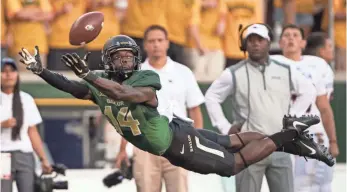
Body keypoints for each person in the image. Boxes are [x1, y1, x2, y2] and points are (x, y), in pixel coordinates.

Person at [18, 35, 333, 178]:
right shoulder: (98, 83)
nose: (126, 60)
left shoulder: (145, 77)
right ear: (109, 61)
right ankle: (295, 143)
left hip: (175, 142)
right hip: (172, 134)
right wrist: (40, 71)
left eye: (129, 55)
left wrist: (89, 76)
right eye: (120, 57)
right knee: (233, 141)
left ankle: (286, 134)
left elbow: (126, 95)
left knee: (232, 165)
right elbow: (74, 88)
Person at [204, 23, 327, 192]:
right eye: (251, 40)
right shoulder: (233, 73)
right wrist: (224, 128)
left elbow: (308, 91)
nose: (255, 43)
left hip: (280, 145)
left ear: (268, 43)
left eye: (260, 40)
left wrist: (292, 119)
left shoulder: (286, 70)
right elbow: (211, 97)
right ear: (244, 45)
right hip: (248, 148)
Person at [116, 25, 205, 192]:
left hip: (178, 143)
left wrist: (198, 144)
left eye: (159, 40)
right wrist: (122, 150)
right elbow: (127, 115)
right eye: (151, 41)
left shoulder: (183, 72)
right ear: (145, 46)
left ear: (167, 43)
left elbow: (195, 110)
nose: (156, 44)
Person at [271, 24, 338, 192]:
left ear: (303, 43)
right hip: (284, 135)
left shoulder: (317, 66)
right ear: (280, 43)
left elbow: (324, 106)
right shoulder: (271, 65)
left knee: (323, 185)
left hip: (315, 133)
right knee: (294, 186)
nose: (291, 38)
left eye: (295, 35)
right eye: (286, 35)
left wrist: (333, 140)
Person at [0, 57, 52, 192]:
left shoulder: (26, 99)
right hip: (2, 155)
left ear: (17, 74)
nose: (8, 75)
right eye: (3, 71)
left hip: (24, 154)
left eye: (12, 71)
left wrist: (43, 159)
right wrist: (2, 125)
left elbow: (32, 131)